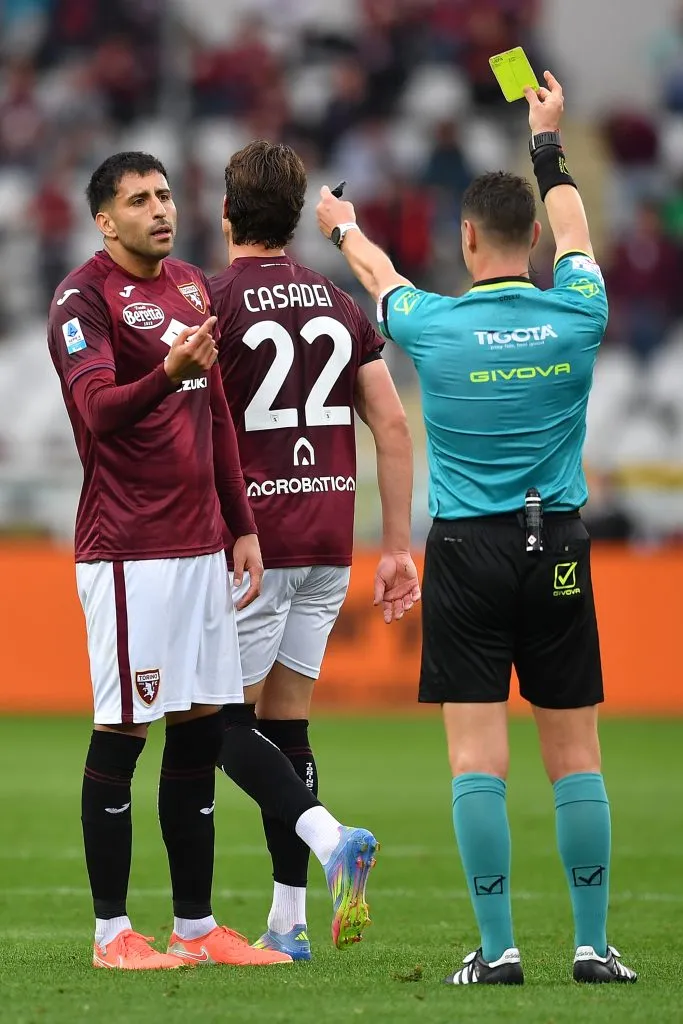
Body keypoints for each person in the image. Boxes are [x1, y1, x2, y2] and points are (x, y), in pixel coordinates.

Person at [316, 72, 638, 986]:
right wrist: (545, 139)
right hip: (559, 545)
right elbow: (575, 227)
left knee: (475, 758)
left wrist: (339, 222)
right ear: (530, 238)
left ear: (463, 241)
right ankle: (589, 945)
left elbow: (377, 273)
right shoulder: (579, 310)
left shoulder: (431, 325)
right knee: (574, 755)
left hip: (464, 552)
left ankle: (497, 951)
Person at [47, 151, 291, 970]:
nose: (159, 209)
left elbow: (216, 412)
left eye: (163, 195)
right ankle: (111, 934)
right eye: (137, 200)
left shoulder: (189, 284)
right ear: (103, 222)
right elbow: (98, 411)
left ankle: (196, 928)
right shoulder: (81, 300)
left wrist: (242, 523)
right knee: (124, 732)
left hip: (199, 547)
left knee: (198, 733)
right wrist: (168, 370)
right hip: (128, 553)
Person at [210, 140, 421, 961]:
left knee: (216, 729)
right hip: (331, 538)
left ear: (227, 214)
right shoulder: (338, 303)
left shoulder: (215, 300)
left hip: (254, 543)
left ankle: (333, 840)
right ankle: (289, 922)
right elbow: (393, 426)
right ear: (296, 216)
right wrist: (397, 546)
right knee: (285, 728)